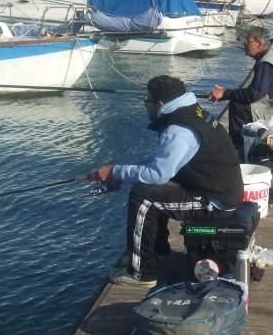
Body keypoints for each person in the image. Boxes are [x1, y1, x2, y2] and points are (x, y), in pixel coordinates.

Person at [91, 75, 244, 287]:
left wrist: (116, 172)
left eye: (147, 100)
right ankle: (156, 252)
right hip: (214, 187)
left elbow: (158, 174)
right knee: (152, 188)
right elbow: (159, 162)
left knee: (144, 195)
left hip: (215, 201)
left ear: (159, 104)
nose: (145, 105)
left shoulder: (179, 130)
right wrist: (117, 173)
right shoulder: (191, 113)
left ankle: (142, 272)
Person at [207, 26, 273, 150]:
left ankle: (237, 149)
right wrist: (225, 94)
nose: (244, 43)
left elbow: (253, 94)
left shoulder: (266, 65)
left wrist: (225, 93)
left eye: (248, 41)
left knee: (238, 105)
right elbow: (258, 92)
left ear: (259, 44)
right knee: (242, 101)